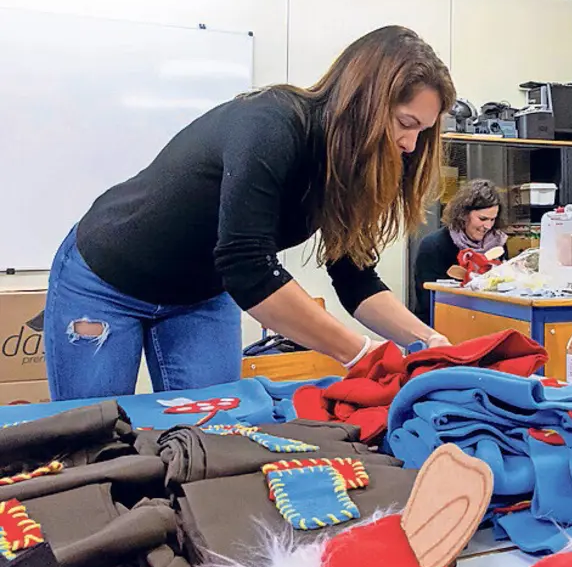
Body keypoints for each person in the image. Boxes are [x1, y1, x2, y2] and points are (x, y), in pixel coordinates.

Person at [44, 26, 456, 400]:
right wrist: (361, 354)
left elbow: (355, 277)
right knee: (94, 434)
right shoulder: (271, 123)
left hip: (200, 295)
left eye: (421, 131)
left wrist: (429, 341)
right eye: (405, 123)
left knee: (213, 435)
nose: (410, 145)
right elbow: (248, 266)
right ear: (364, 101)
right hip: (107, 279)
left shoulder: (346, 168)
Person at [410, 179, 507, 324]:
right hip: (442, 323)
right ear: (463, 214)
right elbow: (427, 300)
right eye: (482, 219)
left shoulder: (497, 244)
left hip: (488, 321)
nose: (487, 226)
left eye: (492, 220)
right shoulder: (434, 245)